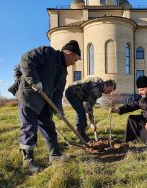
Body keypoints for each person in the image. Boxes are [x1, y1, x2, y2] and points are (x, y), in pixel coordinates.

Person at [10, 40, 81, 173]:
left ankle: (55, 156)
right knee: (29, 127)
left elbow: (58, 93)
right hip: (29, 96)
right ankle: (28, 161)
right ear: (70, 53)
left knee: (48, 125)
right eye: (75, 59)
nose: (74, 63)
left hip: (44, 100)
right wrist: (34, 80)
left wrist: (58, 110)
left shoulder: (63, 72)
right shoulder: (48, 52)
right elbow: (26, 59)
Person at [65, 77, 116, 142]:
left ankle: (77, 133)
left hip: (77, 94)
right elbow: (88, 108)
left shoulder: (99, 82)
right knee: (81, 113)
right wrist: (92, 123)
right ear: (105, 85)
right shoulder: (96, 90)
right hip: (72, 93)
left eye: (110, 92)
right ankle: (82, 136)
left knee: (80, 112)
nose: (108, 93)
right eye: (109, 91)